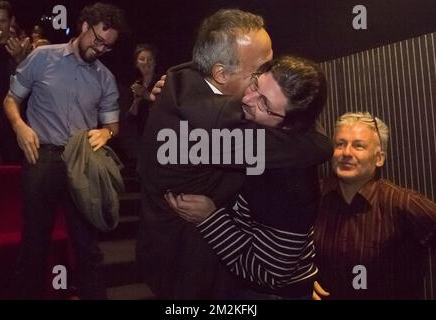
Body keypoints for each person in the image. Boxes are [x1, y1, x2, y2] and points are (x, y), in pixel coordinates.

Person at [138, 9, 332, 299]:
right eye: (258, 73)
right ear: (221, 73)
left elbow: (275, 266)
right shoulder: (213, 129)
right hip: (191, 268)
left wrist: (299, 281)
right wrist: (324, 141)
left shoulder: (183, 80)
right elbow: (311, 145)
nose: (270, 69)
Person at [3, 2, 127, 299]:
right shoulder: (42, 57)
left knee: (87, 247)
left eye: (107, 47)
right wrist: (20, 127)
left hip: (81, 163)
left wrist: (106, 132)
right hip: (41, 157)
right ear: (84, 26)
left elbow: (113, 125)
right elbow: (10, 100)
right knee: (35, 245)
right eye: (98, 40)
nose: (100, 49)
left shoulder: (105, 78)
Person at [312, 112, 436, 300]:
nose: (346, 153)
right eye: (340, 144)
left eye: (358, 146)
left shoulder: (403, 204)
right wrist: (301, 280)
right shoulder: (312, 196)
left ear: (379, 158)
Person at [0, 0, 30, 165]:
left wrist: (20, 60)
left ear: (11, 21)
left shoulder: (22, 48)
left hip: (13, 121)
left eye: (2, 21)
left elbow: (33, 89)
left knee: (14, 171)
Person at [122, 44, 158, 173]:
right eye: (142, 59)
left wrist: (146, 94)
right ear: (136, 63)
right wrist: (136, 101)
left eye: (150, 59)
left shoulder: (162, 82)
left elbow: (165, 106)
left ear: (155, 62)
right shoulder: (136, 85)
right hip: (142, 139)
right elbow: (130, 118)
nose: (146, 63)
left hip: (160, 138)